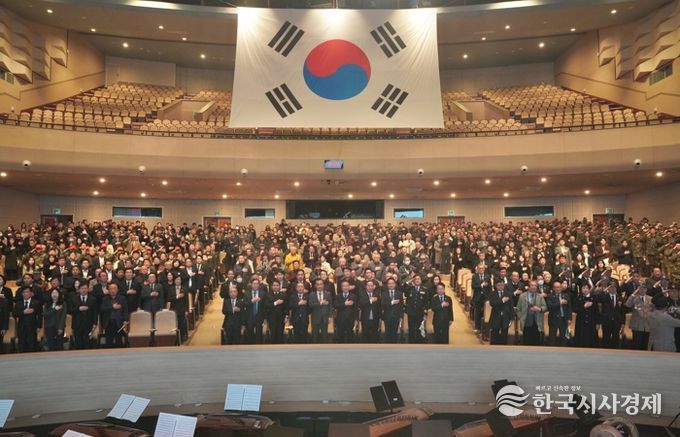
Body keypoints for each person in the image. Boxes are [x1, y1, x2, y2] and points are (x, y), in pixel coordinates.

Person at [516, 280, 547, 346]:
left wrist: (539, 309)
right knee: (526, 342)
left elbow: (545, 307)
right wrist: (521, 317)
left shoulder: (540, 296)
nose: (534, 287)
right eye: (532, 285)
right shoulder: (522, 296)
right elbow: (518, 309)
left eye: (535, 285)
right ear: (529, 287)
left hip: (537, 322)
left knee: (537, 343)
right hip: (526, 322)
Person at [596, 281, 625, 349]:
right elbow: (597, 298)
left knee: (616, 339)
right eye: (611, 287)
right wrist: (605, 290)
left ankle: (615, 353)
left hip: (616, 322)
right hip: (606, 321)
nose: (613, 288)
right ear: (608, 288)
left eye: (614, 287)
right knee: (606, 339)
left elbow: (622, 311)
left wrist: (623, 323)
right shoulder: (604, 297)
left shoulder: (620, 298)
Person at [624, 284, 652, 350]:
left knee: (645, 345)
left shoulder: (650, 298)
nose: (642, 290)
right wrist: (633, 294)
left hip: (647, 325)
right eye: (640, 288)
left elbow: (653, 309)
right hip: (637, 325)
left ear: (646, 290)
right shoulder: (634, 298)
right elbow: (627, 305)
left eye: (644, 288)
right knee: (636, 345)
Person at [13, 287, 42, 352]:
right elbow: (14, 314)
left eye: (27, 292)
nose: (25, 294)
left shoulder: (36, 303)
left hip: (32, 328)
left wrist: (39, 326)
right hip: (21, 328)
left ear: (31, 293)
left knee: (32, 346)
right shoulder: (18, 303)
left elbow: (39, 315)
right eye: (24, 292)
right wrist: (23, 312)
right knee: (22, 346)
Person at [69, 282, 97, 349]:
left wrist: (95, 323)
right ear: (79, 290)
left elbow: (95, 312)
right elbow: (70, 310)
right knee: (78, 342)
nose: (84, 290)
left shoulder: (93, 299)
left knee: (88, 343)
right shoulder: (73, 298)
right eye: (82, 288)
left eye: (85, 288)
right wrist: (78, 309)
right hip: (77, 324)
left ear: (88, 289)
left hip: (89, 323)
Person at [100, 282, 129, 348]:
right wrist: (112, 307)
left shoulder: (122, 298)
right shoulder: (105, 299)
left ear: (117, 289)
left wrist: (125, 320)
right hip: (108, 323)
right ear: (108, 290)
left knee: (119, 342)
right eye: (111, 288)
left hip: (119, 323)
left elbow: (125, 310)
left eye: (114, 288)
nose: (113, 290)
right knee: (108, 342)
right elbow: (102, 309)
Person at [487, 281, 513, 345]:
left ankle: (503, 347)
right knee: (494, 333)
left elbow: (511, 306)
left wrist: (511, 318)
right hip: (496, 316)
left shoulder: (508, 294)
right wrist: (502, 301)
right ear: (496, 286)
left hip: (505, 316)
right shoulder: (492, 293)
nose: (501, 287)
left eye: (502, 285)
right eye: (499, 285)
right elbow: (492, 303)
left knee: (504, 334)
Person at [546, 281, 572, 346]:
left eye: (559, 287)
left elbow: (569, 308)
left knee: (563, 338)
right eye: (556, 287)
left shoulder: (566, 296)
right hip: (553, 320)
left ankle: (563, 350)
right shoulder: (549, 296)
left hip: (563, 319)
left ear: (561, 287)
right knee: (552, 338)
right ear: (553, 288)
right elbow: (549, 306)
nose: (558, 289)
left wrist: (569, 319)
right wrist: (559, 303)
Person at [405, 275, 428, 343]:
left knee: (419, 328)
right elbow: (402, 288)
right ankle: (411, 343)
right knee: (411, 329)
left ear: (421, 281)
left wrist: (425, 313)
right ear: (413, 281)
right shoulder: (409, 289)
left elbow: (426, 302)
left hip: (420, 313)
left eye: (419, 279)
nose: (417, 280)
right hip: (411, 312)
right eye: (415, 279)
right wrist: (409, 282)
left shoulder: (425, 290)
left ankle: (419, 343)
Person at [574, 283, 598, 348]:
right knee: (581, 340)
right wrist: (584, 306)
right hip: (581, 322)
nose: (585, 290)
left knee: (591, 340)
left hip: (591, 322)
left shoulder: (594, 298)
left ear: (589, 289)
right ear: (581, 289)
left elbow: (597, 312)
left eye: (587, 288)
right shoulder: (578, 298)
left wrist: (597, 323)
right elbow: (575, 309)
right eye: (583, 288)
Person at [309, 278, 333, 343]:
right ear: (315, 286)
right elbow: (311, 305)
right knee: (314, 336)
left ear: (323, 285)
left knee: (324, 336)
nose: (319, 286)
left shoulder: (327, 294)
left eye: (321, 284)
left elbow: (330, 306)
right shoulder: (312, 294)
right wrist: (320, 303)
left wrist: (330, 316)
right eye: (318, 284)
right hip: (315, 318)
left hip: (324, 318)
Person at [243, 278, 267, 344]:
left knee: (259, 334)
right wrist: (251, 301)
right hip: (249, 317)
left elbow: (265, 306)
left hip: (259, 316)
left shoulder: (263, 293)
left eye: (257, 284)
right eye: (254, 284)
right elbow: (244, 304)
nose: (255, 285)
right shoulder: (246, 293)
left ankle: (259, 347)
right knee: (249, 334)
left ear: (259, 285)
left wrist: (265, 318)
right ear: (251, 284)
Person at [381, 278, 403, 343]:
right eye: (389, 283)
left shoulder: (399, 293)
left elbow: (401, 306)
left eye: (392, 283)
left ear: (395, 284)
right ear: (387, 285)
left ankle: (394, 347)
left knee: (394, 333)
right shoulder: (384, 294)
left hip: (396, 316)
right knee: (387, 333)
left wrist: (401, 316)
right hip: (387, 316)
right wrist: (391, 302)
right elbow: (382, 304)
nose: (391, 285)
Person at [266, 279, 288, 344]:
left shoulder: (283, 294)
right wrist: (275, 303)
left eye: (277, 285)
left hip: (281, 318)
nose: (275, 287)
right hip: (271, 318)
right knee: (273, 335)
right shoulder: (268, 295)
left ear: (279, 286)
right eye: (274, 285)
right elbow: (266, 305)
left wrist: (286, 316)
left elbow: (286, 306)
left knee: (280, 335)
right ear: (271, 287)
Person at [168, 274, 189, 342]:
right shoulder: (170, 288)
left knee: (182, 324)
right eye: (176, 279)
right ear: (174, 281)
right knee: (174, 324)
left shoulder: (184, 289)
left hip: (182, 309)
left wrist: (186, 310)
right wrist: (177, 297)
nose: (178, 281)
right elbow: (169, 299)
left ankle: (182, 337)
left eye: (179, 279)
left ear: (181, 281)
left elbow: (186, 301)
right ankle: (175, 338)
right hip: (173, 310)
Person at [471, 264, 491, 334]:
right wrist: (481, 285)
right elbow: (473, 286)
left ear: (484, 269)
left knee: (485, 313)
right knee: (477, 313)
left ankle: (484, 329)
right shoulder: (474, 276)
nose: (481, 270)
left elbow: (489, 287)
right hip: (477, 297)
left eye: (482, 268)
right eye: (480, 268)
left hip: (485, 297)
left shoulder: (487, 276)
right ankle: (477, 328)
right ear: (477, 269)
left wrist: (489, 296)